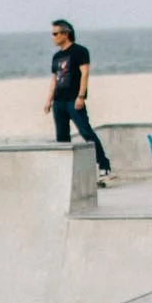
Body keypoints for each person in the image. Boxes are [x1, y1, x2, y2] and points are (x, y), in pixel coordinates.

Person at [44, 21, 112, 183]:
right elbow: (54, 79)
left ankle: (104, 165)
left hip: (73, 99)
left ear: (65, 34)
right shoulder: (57, 56)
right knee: (61, 137)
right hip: (59, 101)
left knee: (85, 132)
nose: (53, 37)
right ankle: (64, 170)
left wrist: (81, 96)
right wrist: (48, 100)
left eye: (55, 33)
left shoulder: (80, 52)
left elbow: (85, 74)